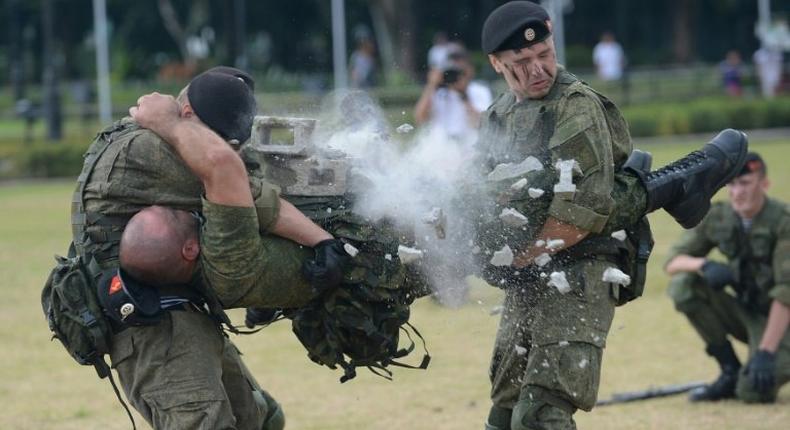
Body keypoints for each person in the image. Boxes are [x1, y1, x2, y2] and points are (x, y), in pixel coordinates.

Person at [477, 2, 748, 429]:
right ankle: (681, 183)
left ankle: (685, 180)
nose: (537, 69)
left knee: (542, 413)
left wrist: (515, 259)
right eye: (521, 63)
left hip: (583, 266)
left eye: (544, 53)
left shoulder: (575, 105)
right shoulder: (497, 116)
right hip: (530, 273)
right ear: (496, 63)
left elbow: (580, 215)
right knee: (504, 410)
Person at [71, 66, 342, 430]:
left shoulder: (172, 137)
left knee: (261, 420)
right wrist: (322, 241)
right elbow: (245, 188)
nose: (226, 149)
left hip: (180, 312)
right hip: (151, 329)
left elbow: (239, 192)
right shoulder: (152, 148)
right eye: (217, 139)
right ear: (186, 116)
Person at [665, 152, 790, 403]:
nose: (737, 192)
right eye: (731, 184)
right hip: (748, 311)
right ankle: (730, 371)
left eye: (745, 183)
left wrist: (766, 353)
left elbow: (786, 292)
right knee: (683, 286)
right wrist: (705, 264)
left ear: (764, 184)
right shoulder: (720, 216)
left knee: (753, 392)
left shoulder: (783, 222)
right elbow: (673, 261)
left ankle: (774, 358)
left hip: (782, 321)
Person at [414, 46, 493, 141]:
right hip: (443, 147)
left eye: (461, 72)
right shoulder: (438, 93)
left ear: (470, 70)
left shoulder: (479, 90)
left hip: (468, 146)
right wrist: (431, 85)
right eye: (453, 72)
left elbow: (481, 124)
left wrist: (464, 95)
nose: (457, 76)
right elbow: (420, 119)